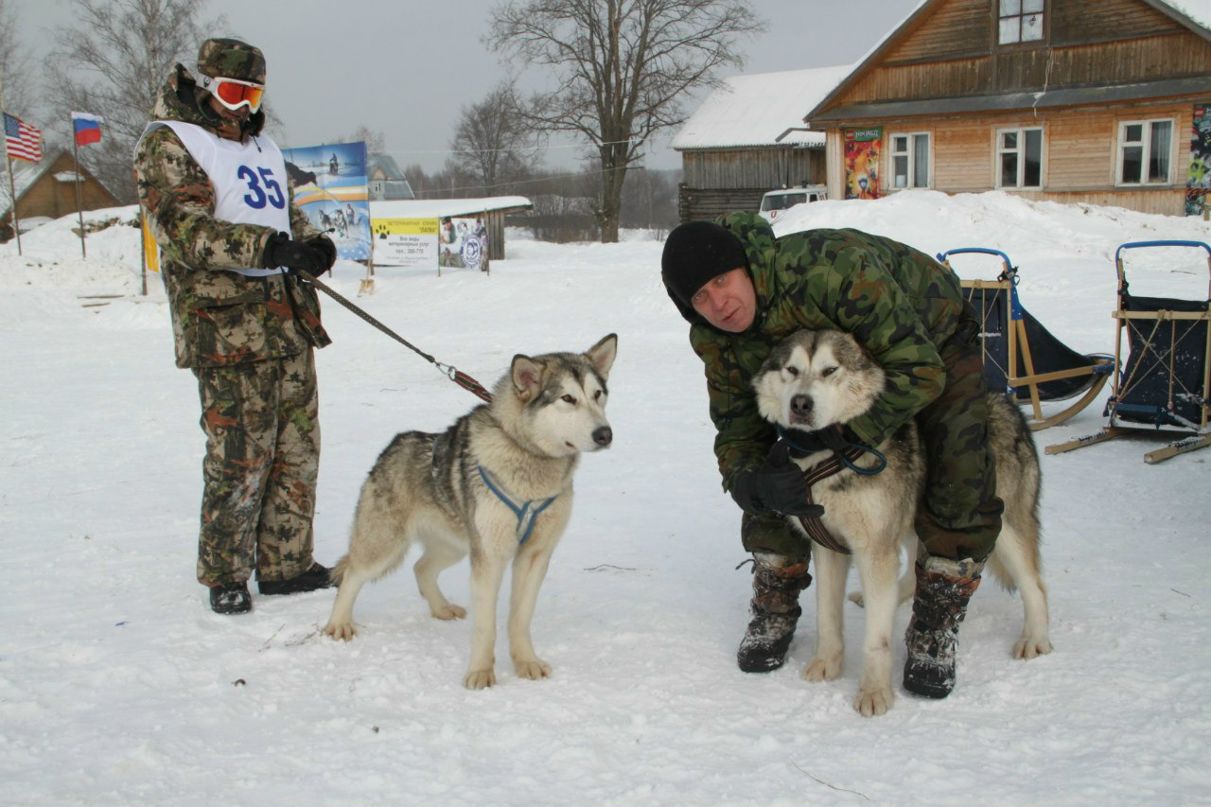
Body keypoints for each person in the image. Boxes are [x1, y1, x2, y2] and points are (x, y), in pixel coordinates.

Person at [660, 212, 1003, 699]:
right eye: (700, 297)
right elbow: (738, 429)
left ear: (745, 267)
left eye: (722, 280)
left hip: (930, 335)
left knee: (958, 459)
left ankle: (937, 614)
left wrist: (847, 434)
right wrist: (748, 482)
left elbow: (921, 371)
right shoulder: (717, 337)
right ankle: (775, 597)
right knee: (773, 472)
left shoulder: (831, 270)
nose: (719, 303)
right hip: (817, 365)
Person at [133, 38, 339, 615]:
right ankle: (225, 571)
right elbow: (185, 232)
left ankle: (285, 564)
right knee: (239, 455)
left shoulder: (262, 145)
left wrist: (311, 243)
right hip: (225, 329)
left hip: (286, 322)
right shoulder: (172, 143)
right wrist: (268, 246)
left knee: (296, 449)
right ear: (203, 85)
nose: (242, 105)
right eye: (230, 91)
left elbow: (282, 212)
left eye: (253, 93)